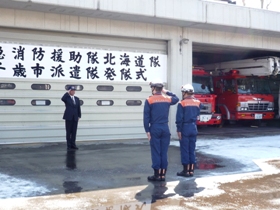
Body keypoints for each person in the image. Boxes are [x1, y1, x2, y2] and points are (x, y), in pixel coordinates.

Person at [143, 78, 179, 181]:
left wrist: (147, 131)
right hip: (165, 127)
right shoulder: (167, 99)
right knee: (164, 152)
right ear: (161, 88)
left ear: (153, 88)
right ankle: (163, 174)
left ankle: (156, 175)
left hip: (154, 128)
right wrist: (165, 91)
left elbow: (146, 117)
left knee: (156, 151)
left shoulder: (149, 100)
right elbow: (176, 98)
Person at [176, 84, 202, 177]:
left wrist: (179, 130)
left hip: (185, 127)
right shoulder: (198, 102)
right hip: (193, 127)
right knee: (192, 149)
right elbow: (199, 110)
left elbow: (179, 118)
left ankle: (185, 171)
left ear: (185, 93)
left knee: (185, 149)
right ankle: (191, 170)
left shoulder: (181, 103)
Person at [61, 86, 81, 150]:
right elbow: (62, 98)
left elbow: (78, 108)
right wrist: (67, 93)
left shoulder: (77, 99)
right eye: (72, 90)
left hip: (75, 117)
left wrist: (79, 115)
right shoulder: (67, 98)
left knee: (74, 131)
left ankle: (73, 144)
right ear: (70, 91)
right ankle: (69, 145)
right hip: (69, 117)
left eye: (74, 90)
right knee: (68, 131)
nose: (73, 92)